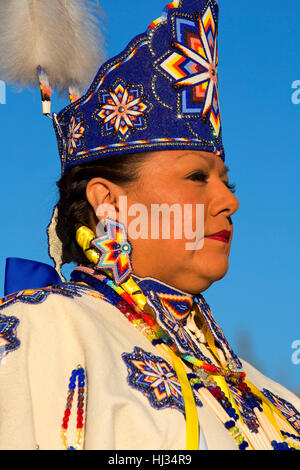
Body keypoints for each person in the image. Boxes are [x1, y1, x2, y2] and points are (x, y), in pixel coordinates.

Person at [0, 0, 299, 451]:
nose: (229, 200)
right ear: (109, 201)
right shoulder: (42, 332)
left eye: (226, 180)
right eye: (196, 176)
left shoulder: (270, 396)